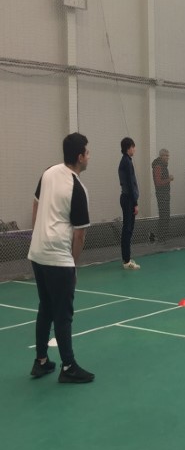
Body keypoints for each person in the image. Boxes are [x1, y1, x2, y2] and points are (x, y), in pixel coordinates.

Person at [28, 132, 95, 383]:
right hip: (58, 258)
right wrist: (73, 267)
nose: (89, 157)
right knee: (63, 314)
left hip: (38, 254)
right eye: (87, 152)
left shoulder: (47, 173)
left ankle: (41, 361)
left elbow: (35, 204)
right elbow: (79, 236)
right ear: (79, 157)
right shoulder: (77, 188)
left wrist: (38, 235)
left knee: (45, 307)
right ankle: (68, 367)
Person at [118, 137, 140, 270]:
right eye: (133, 146)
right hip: (128, 199)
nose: (134, 149)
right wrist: (135, 203)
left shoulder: (126, 161)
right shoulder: (126, 162)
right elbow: (131, 185)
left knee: (128, 229)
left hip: (127, 199)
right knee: (127, 229)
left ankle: (126, 258)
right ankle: (126, 261)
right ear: (128, 148)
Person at [151, 148, 173, 241]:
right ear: (161, 156)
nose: (168, 157)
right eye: (166, 155)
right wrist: (169, 179)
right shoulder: (158, 166)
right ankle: (161, 237)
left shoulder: (164, 166)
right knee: (164, 215)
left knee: (166, 215)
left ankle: (164, 236)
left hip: (165, 193)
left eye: (168, 155)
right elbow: (158, 182)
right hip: (161, 194)